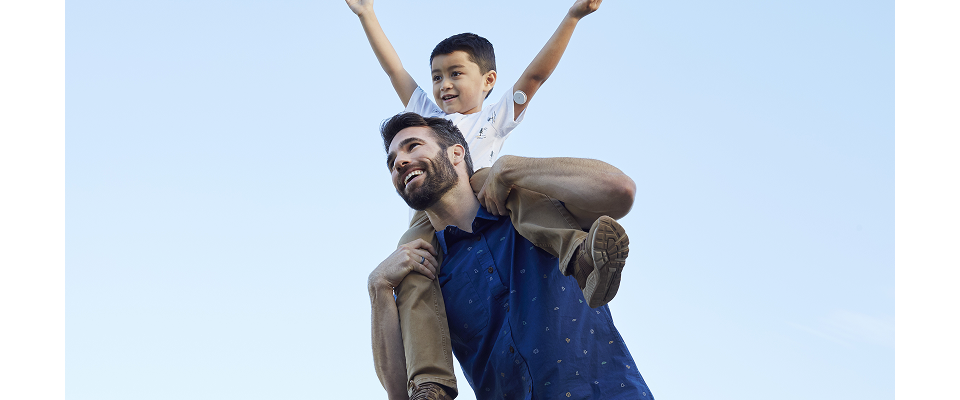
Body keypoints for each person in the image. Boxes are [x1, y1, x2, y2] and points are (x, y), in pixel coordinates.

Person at [347, 0, 629, 398]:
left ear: (488, 80)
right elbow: (395, 70)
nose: (444, 85)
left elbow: (536, 75)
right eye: (437, 77)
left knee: (516, 192)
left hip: (487, 186)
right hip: (434, 218)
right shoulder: (427, 116)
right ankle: (429, 383)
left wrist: (572, 17)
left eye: (455, 73)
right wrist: (367, 15)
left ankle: (579, 255)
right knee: (410, 266)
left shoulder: (494, 118)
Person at [370, 113, 654, 399]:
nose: (399, 162)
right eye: (391, 162)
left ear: (456, 153)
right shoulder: (424, 270)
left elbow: (620, 189)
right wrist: (378, 286)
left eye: (413, 146)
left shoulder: (536, 208)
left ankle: (581, 258)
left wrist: (510, 169)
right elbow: (399, 393)